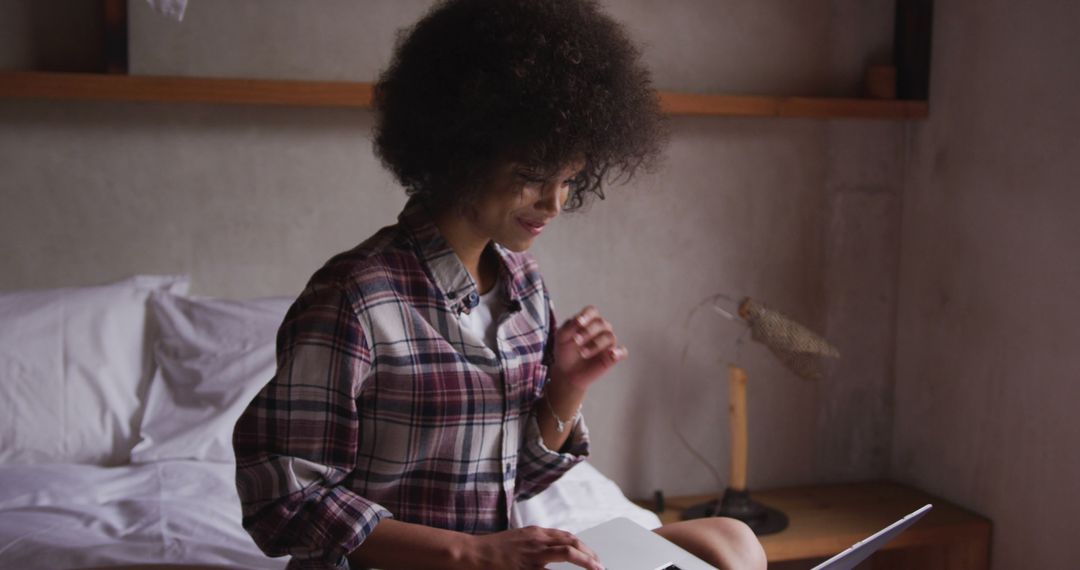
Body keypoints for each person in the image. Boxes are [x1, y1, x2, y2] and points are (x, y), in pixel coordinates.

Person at [232, 1, 767, 569]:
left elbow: (520, 480)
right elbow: (284, 502)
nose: (556, 204)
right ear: (463, 152)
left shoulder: (524, 288)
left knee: (729, 541)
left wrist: (566, 387)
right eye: (533, 178)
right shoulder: (354, 297)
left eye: (569, 180)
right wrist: (468, 553)